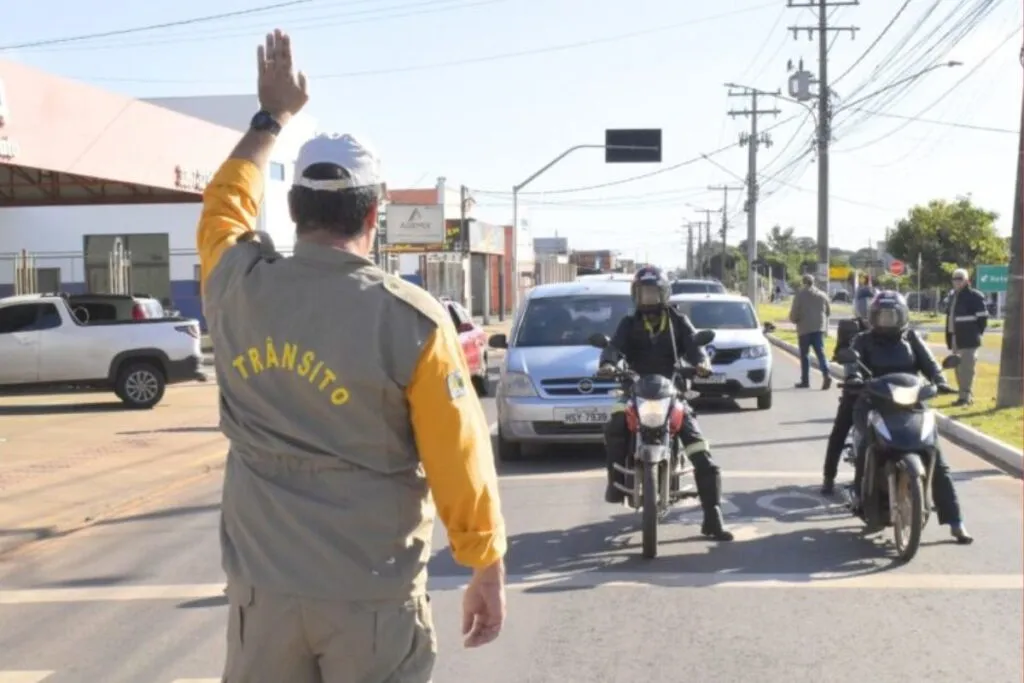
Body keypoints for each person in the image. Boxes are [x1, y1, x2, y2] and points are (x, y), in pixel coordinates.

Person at [198, 31, 507, 683]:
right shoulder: (411, 321)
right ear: (376, 211)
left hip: (262, 602)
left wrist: (271, 117)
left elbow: (225, 201)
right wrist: (485, 561)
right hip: (371, 604)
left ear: (293, 207)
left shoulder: (235, 284)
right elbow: (459, 457)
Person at [820, 291, 973, 544]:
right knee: (851, 434)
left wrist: (940, 379)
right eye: (882, 316)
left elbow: (930, 364)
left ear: (902, 317)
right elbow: (852, 363)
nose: (887, 321)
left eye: (892, 316)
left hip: (910, 402)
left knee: (936, 455)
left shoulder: (911, 338)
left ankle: (956, 522)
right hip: (870, 398)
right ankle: (831, 478)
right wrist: (854, 377)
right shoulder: (862, 340)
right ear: (873, 317)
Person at [597, 266, 734, 541]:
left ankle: (713, 515)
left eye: (652, 292)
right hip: (635, 390)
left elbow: (695, 346)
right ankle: (615, 482)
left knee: (699, 450)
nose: (647, 298)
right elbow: (614, 347)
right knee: (614, 425)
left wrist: (702, 363)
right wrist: (608, 364)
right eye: (643, 292)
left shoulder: (677, 321)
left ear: (663, 293)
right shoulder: (628, 323)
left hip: (672, 391)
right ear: (636, 295)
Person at [944, 268, 988, 406]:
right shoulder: (953, 296)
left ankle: (966, 398)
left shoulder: (974, 296)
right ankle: (961, 396)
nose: (957, 281)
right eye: (954, 279)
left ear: (966, 280)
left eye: (960, 279)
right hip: (956, 337)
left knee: (967, 368)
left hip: (969, 338)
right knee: (958, 368)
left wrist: (976, 333)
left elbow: (982, 319)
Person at [788, 273, 832, 390]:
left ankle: (805, 381)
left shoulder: (800, 295)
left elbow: (794, 313)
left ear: (803, 282)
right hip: (818, 329)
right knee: (820, 353)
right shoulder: (822, 295)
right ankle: (826, 374)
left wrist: (794, 320)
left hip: (804, 329)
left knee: (805, 355)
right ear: (814, 282)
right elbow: (828, 312)